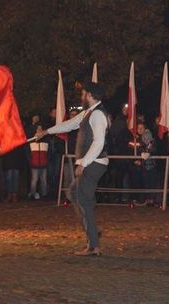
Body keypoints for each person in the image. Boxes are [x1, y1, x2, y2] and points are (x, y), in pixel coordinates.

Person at [37, 81, 109, 257]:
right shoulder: (88, 113)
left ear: (90, 95)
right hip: (91, 162)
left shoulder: (98, 115)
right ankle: (92, 232)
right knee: (74, 194)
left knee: (84, 201)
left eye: (84, 94)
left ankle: (93, 244)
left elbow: (98, 142)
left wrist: (83, 163)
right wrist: (47, 131)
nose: (82, 96)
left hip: (94, 163)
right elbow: (69, 124)